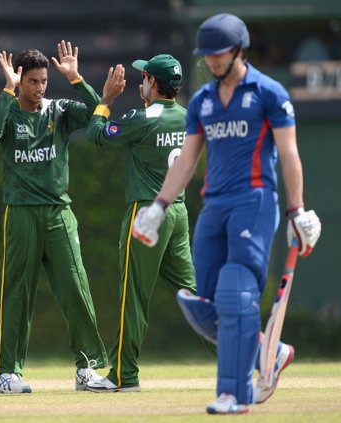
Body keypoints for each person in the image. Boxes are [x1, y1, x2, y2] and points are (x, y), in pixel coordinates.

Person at [132, 14, 322, 414]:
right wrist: (158, 206)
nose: (213, 62)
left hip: (253, 202)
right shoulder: (201, 101)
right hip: (214, 207)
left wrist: (297, 210)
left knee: (236, 294)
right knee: (203, 306)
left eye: (220, 54)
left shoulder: (269, 92)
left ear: (239, 50)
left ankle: (234, 394)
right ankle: (268, 353)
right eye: (209, 56)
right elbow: (186, 160)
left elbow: (289, 155)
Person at [0, 41, 107, 394]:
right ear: (20, 81)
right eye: (32, 81)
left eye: (43, 81)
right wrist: (8, 89)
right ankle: (8, 374)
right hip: (20, 212)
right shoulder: (9, 113)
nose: (39, 88)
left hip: (58, 212)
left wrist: (76, 78)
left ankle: (87, 369)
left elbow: (97, 109)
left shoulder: (59, 111)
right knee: (18, 293)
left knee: (75, 287)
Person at [82, 56, 196, 392]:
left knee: (133, 298)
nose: (140, 82)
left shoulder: (143, 118)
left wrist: (105, 100)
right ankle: (242, 361)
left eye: (144, 76)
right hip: (178, 212)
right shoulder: (189, 117)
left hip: (147, 212)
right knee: (195, 297)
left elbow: (96, 136)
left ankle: (123, 376)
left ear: (155, 82)